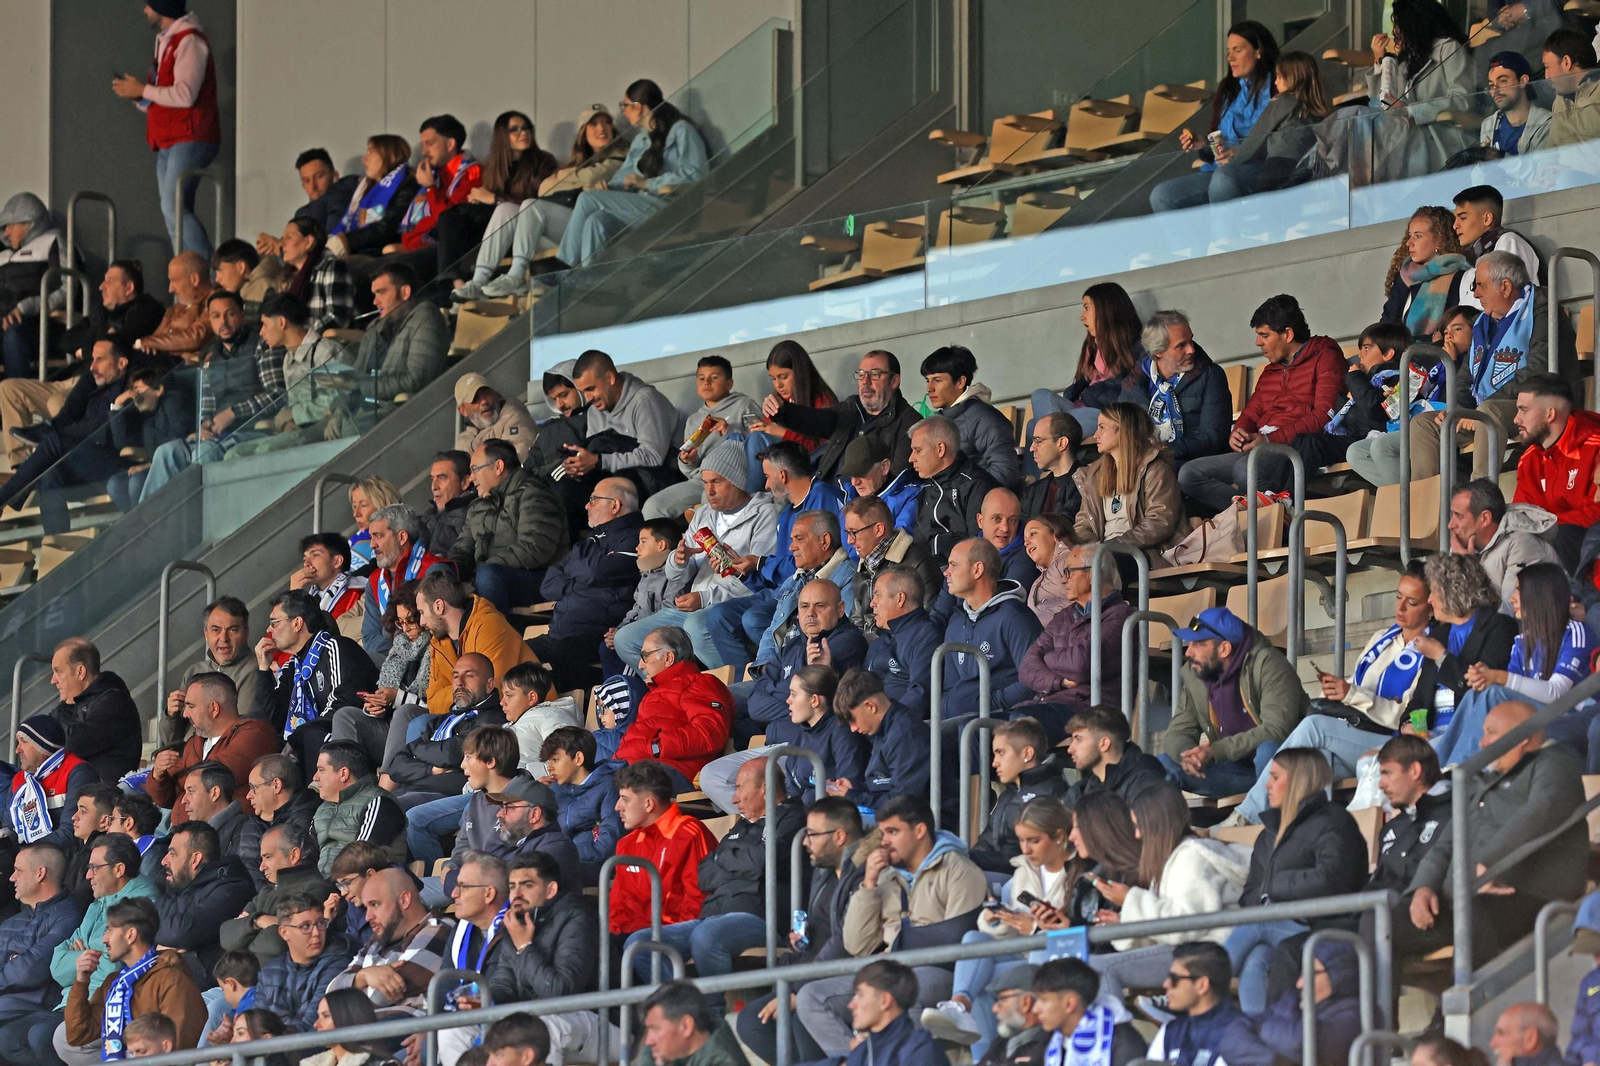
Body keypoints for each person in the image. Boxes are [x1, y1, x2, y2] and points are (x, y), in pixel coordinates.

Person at [1231, 561, 1436, 823]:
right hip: (1357, 733)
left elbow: (1405, 715)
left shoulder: (1430, 649)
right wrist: (1339, 687)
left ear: (1431, 606)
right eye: (1398, 597)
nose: (1401, 607)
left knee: (1314, 726)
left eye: (1412, 602)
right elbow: (1358, 684)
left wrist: (1351, 694)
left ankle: (1247, 815)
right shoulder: (1382, 638)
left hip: (1390, 740)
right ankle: (1303, 834)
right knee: (1317, 763)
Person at [795, 795, 987, 1059]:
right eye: (883, 832)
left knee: (906, 991)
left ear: (919, 831)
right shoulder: (884, 875)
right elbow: (855, 944)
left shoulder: (958, 869)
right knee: (810, 997)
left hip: (939, 972)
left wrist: (902, 953)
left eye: (893, 832)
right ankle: (857, 1061)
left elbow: (959, 944)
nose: (884, 841)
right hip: (888, 971)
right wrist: (869, 884)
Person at [625, 758, 802, 1006]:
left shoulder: (793, 817)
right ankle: (683, 1009)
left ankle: (712, 1017)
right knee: (639, 944)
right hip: (711, 915)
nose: (734, 799)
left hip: (762, 916)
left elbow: (763, 862)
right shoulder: (742, 824)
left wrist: (725, 858)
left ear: (764, 788)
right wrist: (739, 862)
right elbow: (705, 873)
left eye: (740, 788)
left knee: (707, 936)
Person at [924, 797, 1074, 1053]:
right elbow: (1010, 932)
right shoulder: (1023, 871)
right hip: (1024, 951)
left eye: (1034, 841)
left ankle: (973, 1030)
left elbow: (1075, 929)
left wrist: (1035, 929)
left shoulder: (1077, 871)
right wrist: (999, 919)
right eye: (1021, 841)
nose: (1025, 849)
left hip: (1056, 957)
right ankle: (959, 1005)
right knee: (974, 938)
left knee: (981, 982)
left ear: (1059, 836)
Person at [611, 441, 778, 667]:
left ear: (737, 481)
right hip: (695, 606)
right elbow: (676, 576)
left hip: (730, 605)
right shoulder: (704, 515)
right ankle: (678, 691)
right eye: (705, 482)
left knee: (697, 625)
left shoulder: (763, 513)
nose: (708, 491)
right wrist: (678, 560)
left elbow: (759, 579)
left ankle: (730, 689)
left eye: (716, 482)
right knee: (626, 639)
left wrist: (706, 598)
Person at [1225, 749, 1368, 1013]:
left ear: (1300, 780)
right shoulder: (1268, 835)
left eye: (1276, 776)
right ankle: (1262, 1037)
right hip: (1282, 928)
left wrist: (1274, 888)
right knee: (1256, 960)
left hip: (1326, 926)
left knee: (1258, 921)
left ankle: (1202, 983)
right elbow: (1250, 895)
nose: (1267, 784)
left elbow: (1331, 880)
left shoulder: (1335, 822)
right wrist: (1268, 897)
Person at [1176, 295, 1347, 515]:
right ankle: (1257, 513)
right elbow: (1252, 411)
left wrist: (1268, 439)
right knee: (1189, 474)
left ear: (1288, 334)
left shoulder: (1325, 356)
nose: (1258, 343)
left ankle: (1276, 518)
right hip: (1260, 448)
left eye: (1264, 335)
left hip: (1294, 448)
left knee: (1244, 469)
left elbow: (1324, 415)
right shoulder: (1269, 371)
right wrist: (1239, 432)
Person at [1, 260, 162, 474]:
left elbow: (118, 341)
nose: (101, 286)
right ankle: (22, 467)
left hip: (95, 383)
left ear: (129, 287)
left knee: (56, 402)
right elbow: (66, 341)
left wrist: (86, 347)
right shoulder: (101, 313)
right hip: (71, 378)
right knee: (9, 388)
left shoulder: (147, 309)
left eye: (109, 281)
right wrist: (96, 341)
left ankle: (64, 467)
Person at [455, 104, 630, 301]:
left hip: (588, 229)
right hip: (561, 229)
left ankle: (516, 275)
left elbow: (592, 176)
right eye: (594, 124)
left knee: (531, 206)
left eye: (607, 122)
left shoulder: (621, 154)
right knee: (506, 209)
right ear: (583, 131)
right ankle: (479, 279)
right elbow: (545, 188)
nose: (601, 129)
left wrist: (564, 176)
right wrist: (571, 176)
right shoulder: (577, 161)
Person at [1097, 781, 1250, 999]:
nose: (1138, 835)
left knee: (1101, 968)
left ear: (1157, 824)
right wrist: (1125, 923)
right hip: (1185, 949)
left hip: (1206, 953)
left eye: (1139, 826)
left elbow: (1184, 926)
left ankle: (1119, 1033)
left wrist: (1131, 899)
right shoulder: (1171, 859)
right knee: (1091, 965)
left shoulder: (1191, 858)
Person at [1433, 562, 1593, 765]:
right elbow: (1509, 689)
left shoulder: (1576, 633)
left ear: (1539, 593)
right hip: (1532, 717)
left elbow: (1557, 692)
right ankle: (1440, 769)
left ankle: (1459, 769)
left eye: (1518, 589)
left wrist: (1498, 678)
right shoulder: (1521, 641)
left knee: (1493, 693)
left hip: (1568, 721)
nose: (1511, 598)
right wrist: (1485, 677)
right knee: (1477, 694)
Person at [556, 79, 709, 267]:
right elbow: (623, 177)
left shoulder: (682, 130)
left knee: (587, 199)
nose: (624, 112)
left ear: (638, 107)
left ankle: (563, 267)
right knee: (597, 220)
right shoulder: (640, 141)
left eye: (625, 106)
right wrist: (607, 188)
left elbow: (695, 176)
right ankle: (591, 282)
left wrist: (647, 184)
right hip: (641, 206)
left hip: (672, 208)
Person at [113, 0, 221, 258]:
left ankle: (206, 275)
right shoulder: (169, 40)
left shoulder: (189, 41)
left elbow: (185, 95)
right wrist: (139, 97)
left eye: (149, 5)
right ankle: (188, 279)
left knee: (173, 208)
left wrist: (142, 90)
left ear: (163, 7)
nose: (145, 10)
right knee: (174, 212)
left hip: (190, 136)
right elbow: (165, 96)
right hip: (170, 139)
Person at [1161, 607, 1307, 798]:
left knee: (1267, 750)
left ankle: (1269, 820)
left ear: (1224, 649)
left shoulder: (1269, 665)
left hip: (1285, 769)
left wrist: (1216, 750)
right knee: (1163, 763)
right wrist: (1190, 755)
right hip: (1237, 772)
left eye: (1198, 644)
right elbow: (1177, 732)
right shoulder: (1196, 673)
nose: (1188, 652)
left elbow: (1276, 729)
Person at [480, 852, 604, 1066]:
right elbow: (505, 985)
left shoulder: (577, 917)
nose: (516, 894)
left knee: (543, 1031)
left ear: (550, 890)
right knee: (458, 1029)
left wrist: (524, 947)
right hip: (536, 1017)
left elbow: (561, 992)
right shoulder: (516, 922)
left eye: (527, 885)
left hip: (596, 1019)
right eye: (511, 886)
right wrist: (482, 1001)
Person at [0, 339, 131, 533]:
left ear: (121, 363)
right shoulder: (95, 383)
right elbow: (69, 417)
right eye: (92, 360)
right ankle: (56, 545)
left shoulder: (131, 387)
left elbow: (106, 433)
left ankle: (5, 497)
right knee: (50, 472)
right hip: (89, 463)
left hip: (118, 466)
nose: (93, 366)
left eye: (100, 360)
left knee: (55, 441)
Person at [1148, 21, 1279, 212]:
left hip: (1263, 167)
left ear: (1259, 51)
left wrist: (1242, 152)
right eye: (1229, 51)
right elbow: (1217, 142)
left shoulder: (1280, 83)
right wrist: (1203, 143)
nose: (1230, 57)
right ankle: (1193, 243)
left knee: (1223, 178)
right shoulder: (1227, 89)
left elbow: (1286, 139)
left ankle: (1224, 241)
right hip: (1223, 171)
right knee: (1162, 195)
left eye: (1238, 50)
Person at [60, 897, 205, 1064]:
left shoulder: (172, 980)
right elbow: (78, 1034)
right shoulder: (113, 984)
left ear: (131, 935)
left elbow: (179, 1049)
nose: (104, 939)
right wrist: (81, 982)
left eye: (109, 930)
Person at [533, 477, 643, 690]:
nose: (586, 505)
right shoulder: (590, 541)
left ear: (615, 505)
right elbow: (548, 584)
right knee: (509, 653)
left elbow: (597, 570)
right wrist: (577, 586)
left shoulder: (637, 536)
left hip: (597, 634)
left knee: (563, 652)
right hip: (558, 633)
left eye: (593, 499)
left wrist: (575, 573)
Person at [1012, 545, 1130, 742]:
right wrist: (1060, 681)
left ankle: (1044, 773)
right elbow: (1026, 668)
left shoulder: (1121, 615)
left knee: (1020, 726)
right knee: (974, 730)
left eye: (1068, 571)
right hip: (1049, 702)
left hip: (1090, 709)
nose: (1063, 578)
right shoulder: (1063, 617)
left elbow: (1082, 664)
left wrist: (1046, 658)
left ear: (1092, 574)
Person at [251, 590, 377, 762]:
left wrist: (298, 737)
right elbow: (269, 721)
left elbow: (345, 703)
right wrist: (264, 670)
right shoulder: (292, 668)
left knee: (312, 733)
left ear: (297, 623)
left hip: (354, 742)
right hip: (310, 744)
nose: (268, 629)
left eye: (274, 623)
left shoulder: (337, 647)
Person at [428, 110, 556, 275]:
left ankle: (459, 282)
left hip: (525, 229)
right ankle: (452, 280)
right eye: (514, 129)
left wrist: (495, 199)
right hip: (496, 228)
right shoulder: (495, 166)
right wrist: (478, 200)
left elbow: (536, 203)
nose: (523, 133)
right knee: (450, 218)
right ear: (502, 135)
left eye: (526, 128)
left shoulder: (544, 161)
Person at [765, 349, 922, 483]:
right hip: (829, 493)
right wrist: (782, 410)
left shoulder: (909, 422)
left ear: (894, 381)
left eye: (874, 374)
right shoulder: (851, 407)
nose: (865, 381)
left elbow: (899, 480)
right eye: (861, 375)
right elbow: (815, 420)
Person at [1410, 552, 1518, 735]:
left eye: (1434, 591)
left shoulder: (1499, 627)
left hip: (1468, 733)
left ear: (1453, 590)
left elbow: (1481, 691)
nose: (1429, 599)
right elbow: (1419, 699)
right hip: (1427, 736)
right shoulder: (1439, 634)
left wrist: (1440, 656)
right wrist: (1407, 725)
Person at [144, 673, 275, 824]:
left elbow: (214, 775)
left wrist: (179, 775)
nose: (185, 714)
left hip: (227, 838)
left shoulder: (255, 734)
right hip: (184, 835)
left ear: (214, 708)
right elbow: (164, 799)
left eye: (191, 706)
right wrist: (159, 775)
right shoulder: (195, 742)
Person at [608, 761, 718, 940]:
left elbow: (699, 901)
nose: (617, 806)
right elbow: (616, 906)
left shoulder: (688, 833)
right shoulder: (626, 844)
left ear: (649, 804)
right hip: (630, 936)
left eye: (625, 799)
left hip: (676, 933)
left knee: (636, 943)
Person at [643, 356, 763, 520]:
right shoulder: (693, 420)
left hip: (732, 478)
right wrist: (687, 460)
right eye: (701, 378)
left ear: (729, 383)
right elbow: (689, 472)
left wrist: (730, 430)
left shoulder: (744, 405)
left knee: (709, 497)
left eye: (714, 377)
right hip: (700, 480)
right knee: (654, 506)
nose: (707, 382)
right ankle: (667, 542)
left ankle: (700, 519)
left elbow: (762, 442)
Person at [616, 627, 734, 792]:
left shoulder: (699, 683)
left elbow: (709, 734)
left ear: (668, 657)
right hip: (637, 765)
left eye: (645, 655)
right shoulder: (652, 693)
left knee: (608, 789)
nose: (640, 664)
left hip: (675, 770)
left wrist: (655, 748)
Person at [941, 538, 1044, 725]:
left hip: (1004, 723)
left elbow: (1034, 679)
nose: (946, 573)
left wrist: (992, 702)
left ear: (977, 570)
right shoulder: (956, 622)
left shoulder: (1014, 617)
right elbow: (950, 685)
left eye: (953, 565)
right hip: (957, 720)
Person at [380, 654, 506, 806]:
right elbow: (397, 764)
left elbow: (451, 753)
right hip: (416, 789)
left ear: (489, 685)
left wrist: (415, 750)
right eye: (455, 676)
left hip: (445, 794)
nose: (460, 683)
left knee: (382, 809)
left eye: (469, 676)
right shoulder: (444, 719)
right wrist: (431, 769)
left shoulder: (491, 719)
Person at [326, 868, 452, 1017]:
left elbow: (379, 997)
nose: (368, 916)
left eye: (375, 904)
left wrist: (354, 983)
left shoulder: (438, 930)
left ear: (404, 900)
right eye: (366, 907)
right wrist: (364, 976)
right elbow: (331, 993)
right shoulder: (378, 940)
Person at [1205, 50, 1328, 201]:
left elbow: (1256, 138)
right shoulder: (1318, 113)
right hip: (1302, 173)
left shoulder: (1283, 100)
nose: (1275, 82)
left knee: (1224, 177)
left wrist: (1233, 161)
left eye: (1279, 77)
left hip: (1276, 170)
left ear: (1292, 79)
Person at [565, 348, 683, 504]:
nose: (588, 399)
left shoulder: (645, 399)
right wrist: (580, 466)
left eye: (591, 389)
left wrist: (600, 461)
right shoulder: (594, 410)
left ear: (610, 378)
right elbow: (596, 456)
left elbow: (653, 457)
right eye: (583, 392)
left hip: (666, 479)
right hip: (621, 487)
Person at [720, 340, 839, 493]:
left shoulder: (822, 400)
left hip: (802, 464)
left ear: (800, 373)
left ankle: (746, 497)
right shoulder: (778, 400)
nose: (778, 385)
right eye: (773, 378)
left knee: (757, 439)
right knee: (734, 438)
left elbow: (823, 451)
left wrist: (780, 432)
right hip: (774, 462)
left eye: (783, 377)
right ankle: (726, 494)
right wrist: (762, 427)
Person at [1366, 0, 1474, 169]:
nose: (1394, 32)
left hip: (1439, 135)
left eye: (1399, 25)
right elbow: (1379, 103)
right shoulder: (1409, 57)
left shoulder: (1449, 48)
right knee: (1361, 119)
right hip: (1405, 135)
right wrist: (1380, 61)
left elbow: (1463, 99)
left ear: (1416, 24)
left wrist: (1411, 110)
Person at [1115, 310, 1230, 468]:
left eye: (1191, 341)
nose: (1191, 350)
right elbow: (1121, 431)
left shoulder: (1211, 375)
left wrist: (1165, 450)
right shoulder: (1133, 383)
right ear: (1158, 352)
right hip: (1146, 462)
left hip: (1195, 463)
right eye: (1181, 345)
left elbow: (1213, 437)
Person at [415, 569, 535, 718]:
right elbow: (433, 702)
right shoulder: (438, 643)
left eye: (421, 612)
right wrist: (466, 690)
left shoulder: (489, 625)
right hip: (470, 718)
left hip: (520, 717)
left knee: (420, 724)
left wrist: (456, 693)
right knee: (411, 716)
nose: (422, 622)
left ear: (439, 606)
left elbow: (491, 690)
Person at [1074, 404, 1185, 561]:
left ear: (1123, 430)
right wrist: (1086, 548)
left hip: (1146, 554)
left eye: (1102, 428)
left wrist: (1111, 546)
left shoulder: (1155, 470)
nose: (1095, 435)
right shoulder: (1094, 476)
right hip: (1104, 554)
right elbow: (1084, 525)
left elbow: (1159, 522)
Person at [1512, 373, 1600, 569]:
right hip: (1555, 541)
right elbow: (1524, 513)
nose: (1516, 419)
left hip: (1585, 543)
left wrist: (1548, 526)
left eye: (1524, 410)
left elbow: (1597, 512)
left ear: (1550, 414)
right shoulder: (1530, 459)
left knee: (1564, 536)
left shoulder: (1596, 445)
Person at [1227, 941, 1363, 1066]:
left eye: (1311, 973)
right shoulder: (1293, 998)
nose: (1299, 983)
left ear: (1338, 976)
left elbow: (1299, 1042)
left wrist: (1253, 1030)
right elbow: (1231, 1036)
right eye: (1302, 973)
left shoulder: (1356, 1015)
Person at [966, 719, 1070, 873]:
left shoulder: (1050, 793)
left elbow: (1028, 856)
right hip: (997, 873)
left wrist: (970, 860)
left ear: (1027, 753)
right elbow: (986, 843)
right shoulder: (1009, 794)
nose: (994, 763)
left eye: (1000, 753)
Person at [825, 667, 930, 814]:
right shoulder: (883, 729)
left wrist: (852, 797)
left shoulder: (905, 733)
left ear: (870, 706)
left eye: (852, 719)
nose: (853, 729)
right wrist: (854, 787)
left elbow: (903, 802)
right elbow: (881, 785)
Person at [1449, 479, 1559, 616]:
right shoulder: (1464, 548)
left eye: (1458, 516)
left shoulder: (1521, 545)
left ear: (1485, 519)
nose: (1451, 525)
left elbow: (1509, 615)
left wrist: (1470, 571)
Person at [245, 890, 349, 1035]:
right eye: (306, 926)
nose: (316, 933)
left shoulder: (336, 964)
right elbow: (255, 1025)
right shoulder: (269, 971)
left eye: (320, 923)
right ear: (284, 932)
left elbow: (312, 1026)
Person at [0, 842, 83, 1018]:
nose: (12, 877)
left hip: (30, 1012)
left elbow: (29, 971)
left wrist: (14, 960)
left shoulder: (68, 916)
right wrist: (14, 960)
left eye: (18, 871)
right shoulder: (10, 923)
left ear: (40, 873)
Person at [920, 345, 1022, 487]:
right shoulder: (937, 422)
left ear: (960, 382)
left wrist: (960, 493)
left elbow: (1005, 473)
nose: (929, 388)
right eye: (927, 380)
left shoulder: (986, 419)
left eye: (937, 380)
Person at [48, 638, 141, 786]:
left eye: (58, 671)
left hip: (106, 801)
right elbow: (42, 740)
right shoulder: (70, 706)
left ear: (80, 672)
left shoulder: (115, 702)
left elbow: (72, 744)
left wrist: (64, 707)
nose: (53, 680)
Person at [909, 415, 1000, 566]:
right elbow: (919, 546)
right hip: (931, 572)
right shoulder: (926, 489)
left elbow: (978, 549)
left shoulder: (976, 485)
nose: (911, 458)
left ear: (940, 449)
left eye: (917, 450)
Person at [352, 264, 446, 407]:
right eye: (374, 294)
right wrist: (339, 412)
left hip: (396, 413)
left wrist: (358, 386)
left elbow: (415, 381)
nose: (375, 301)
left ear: (405, 292)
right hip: (362, 411)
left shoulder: (426, 317)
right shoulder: (374, 328)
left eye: (381, 292)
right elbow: (357, 375)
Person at [846, 495, 939, 637]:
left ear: (878, 529)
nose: (849, 541)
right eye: (847, 533)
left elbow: (928, 621)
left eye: (854, 533)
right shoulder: (863, 568)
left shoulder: (917, 562)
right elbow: (856, 624)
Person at [309, 743, 405, 878]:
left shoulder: (379, 802)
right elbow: (308, 854)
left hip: (362, 886)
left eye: (321, 770)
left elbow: (362, 857)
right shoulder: (322, 810)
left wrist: (328, 888)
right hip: (324, 886)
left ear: (343, 774)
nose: (315, 777)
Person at [393, 114, 482, 260]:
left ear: (450, 144)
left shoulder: (473, 173)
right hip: (419, 248)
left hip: (451, 253)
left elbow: (448, 221)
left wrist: (430, 187)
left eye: (430, 143)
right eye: (423, 145)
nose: (424, 152)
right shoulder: (435, 173)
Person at [0, 714, 97, 848]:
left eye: (24, 741)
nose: (17, 750)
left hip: (66, 859)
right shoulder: (19, 780)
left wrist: (24, 850)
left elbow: (71, 833)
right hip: (28, 857)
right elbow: (9, 831)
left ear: (43, 745)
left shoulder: (77, 772)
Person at [1144, 943, 1249, 1066]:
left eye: (1174, 979)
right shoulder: (1170, 1030)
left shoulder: (1240, 1035)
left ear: (1202, 985)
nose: (1166, 984)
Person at [1030, 958, 1147, 1066]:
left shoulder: (1124, 1043)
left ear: (1069, 1004)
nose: (1035, 1009)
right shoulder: (1050, 1041)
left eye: (1044, 1000)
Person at [858, 564, 941, 716]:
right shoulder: (881, 639)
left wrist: (886, 724)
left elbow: (920, 693)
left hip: (895, 729)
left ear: (900, 599)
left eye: (878, 595)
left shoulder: (926, 636)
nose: (872, 603)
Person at [0, 192, 65, 382]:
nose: (6, 233)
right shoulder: (3, 255)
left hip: (39, 325)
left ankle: (17, 400)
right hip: (4, 324)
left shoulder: (52, 241)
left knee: (13, 336)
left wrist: (25, 307)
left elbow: (67, 289)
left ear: (28, 222)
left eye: (9, 226)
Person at [539, 727, 622, 874]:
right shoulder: (556, 789)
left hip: (595, 869)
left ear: (578, 758)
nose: (550, 768)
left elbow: (607, 846)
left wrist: (559, 854)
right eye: (548, 762)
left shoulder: (609, 787)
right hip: (560, 862)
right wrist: (535, 796)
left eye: (555, 760)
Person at [1379, 206, 1471, 339]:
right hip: (1400, 355)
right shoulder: (1405, 276)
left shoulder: (1459, 276)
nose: (1409, 243)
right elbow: (1386, 326)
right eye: (1410, 236)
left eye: (1418, 236)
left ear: (1439, 240)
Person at [326, 135, 418, 260]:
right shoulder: (365, 189)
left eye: (371, 151)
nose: (364, 159)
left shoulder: (407, 184)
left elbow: (388, 227)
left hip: (381, 253)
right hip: (363, 251)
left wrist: (347, 241)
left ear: (390, 154)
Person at [1453, 186, 1543, 308]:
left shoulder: (1508, 242)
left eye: (1463, 218)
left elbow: (1511, 303)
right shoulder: (1469, 269)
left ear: (1487, 218)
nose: (1455, 226)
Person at [840, 961, 944, 1066]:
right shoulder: (861, 1052)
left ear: (884, 1001)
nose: (851, 1005)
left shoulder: (920, 1049)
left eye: (861, 995)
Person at [634, 980, 743, 1066]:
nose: (648, 1041)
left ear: (686, 1026)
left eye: (656, 1029)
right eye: (649, 1029)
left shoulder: (724, 1061)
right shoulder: (662, 1049)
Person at [135, 252, 215, 366]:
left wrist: (145, 342)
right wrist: (181, 352)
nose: (170, 289)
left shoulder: (217, 302)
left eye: (174, 281)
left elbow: (195, 337)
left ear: (194, 279)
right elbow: (156, 339)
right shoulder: (177, 307)